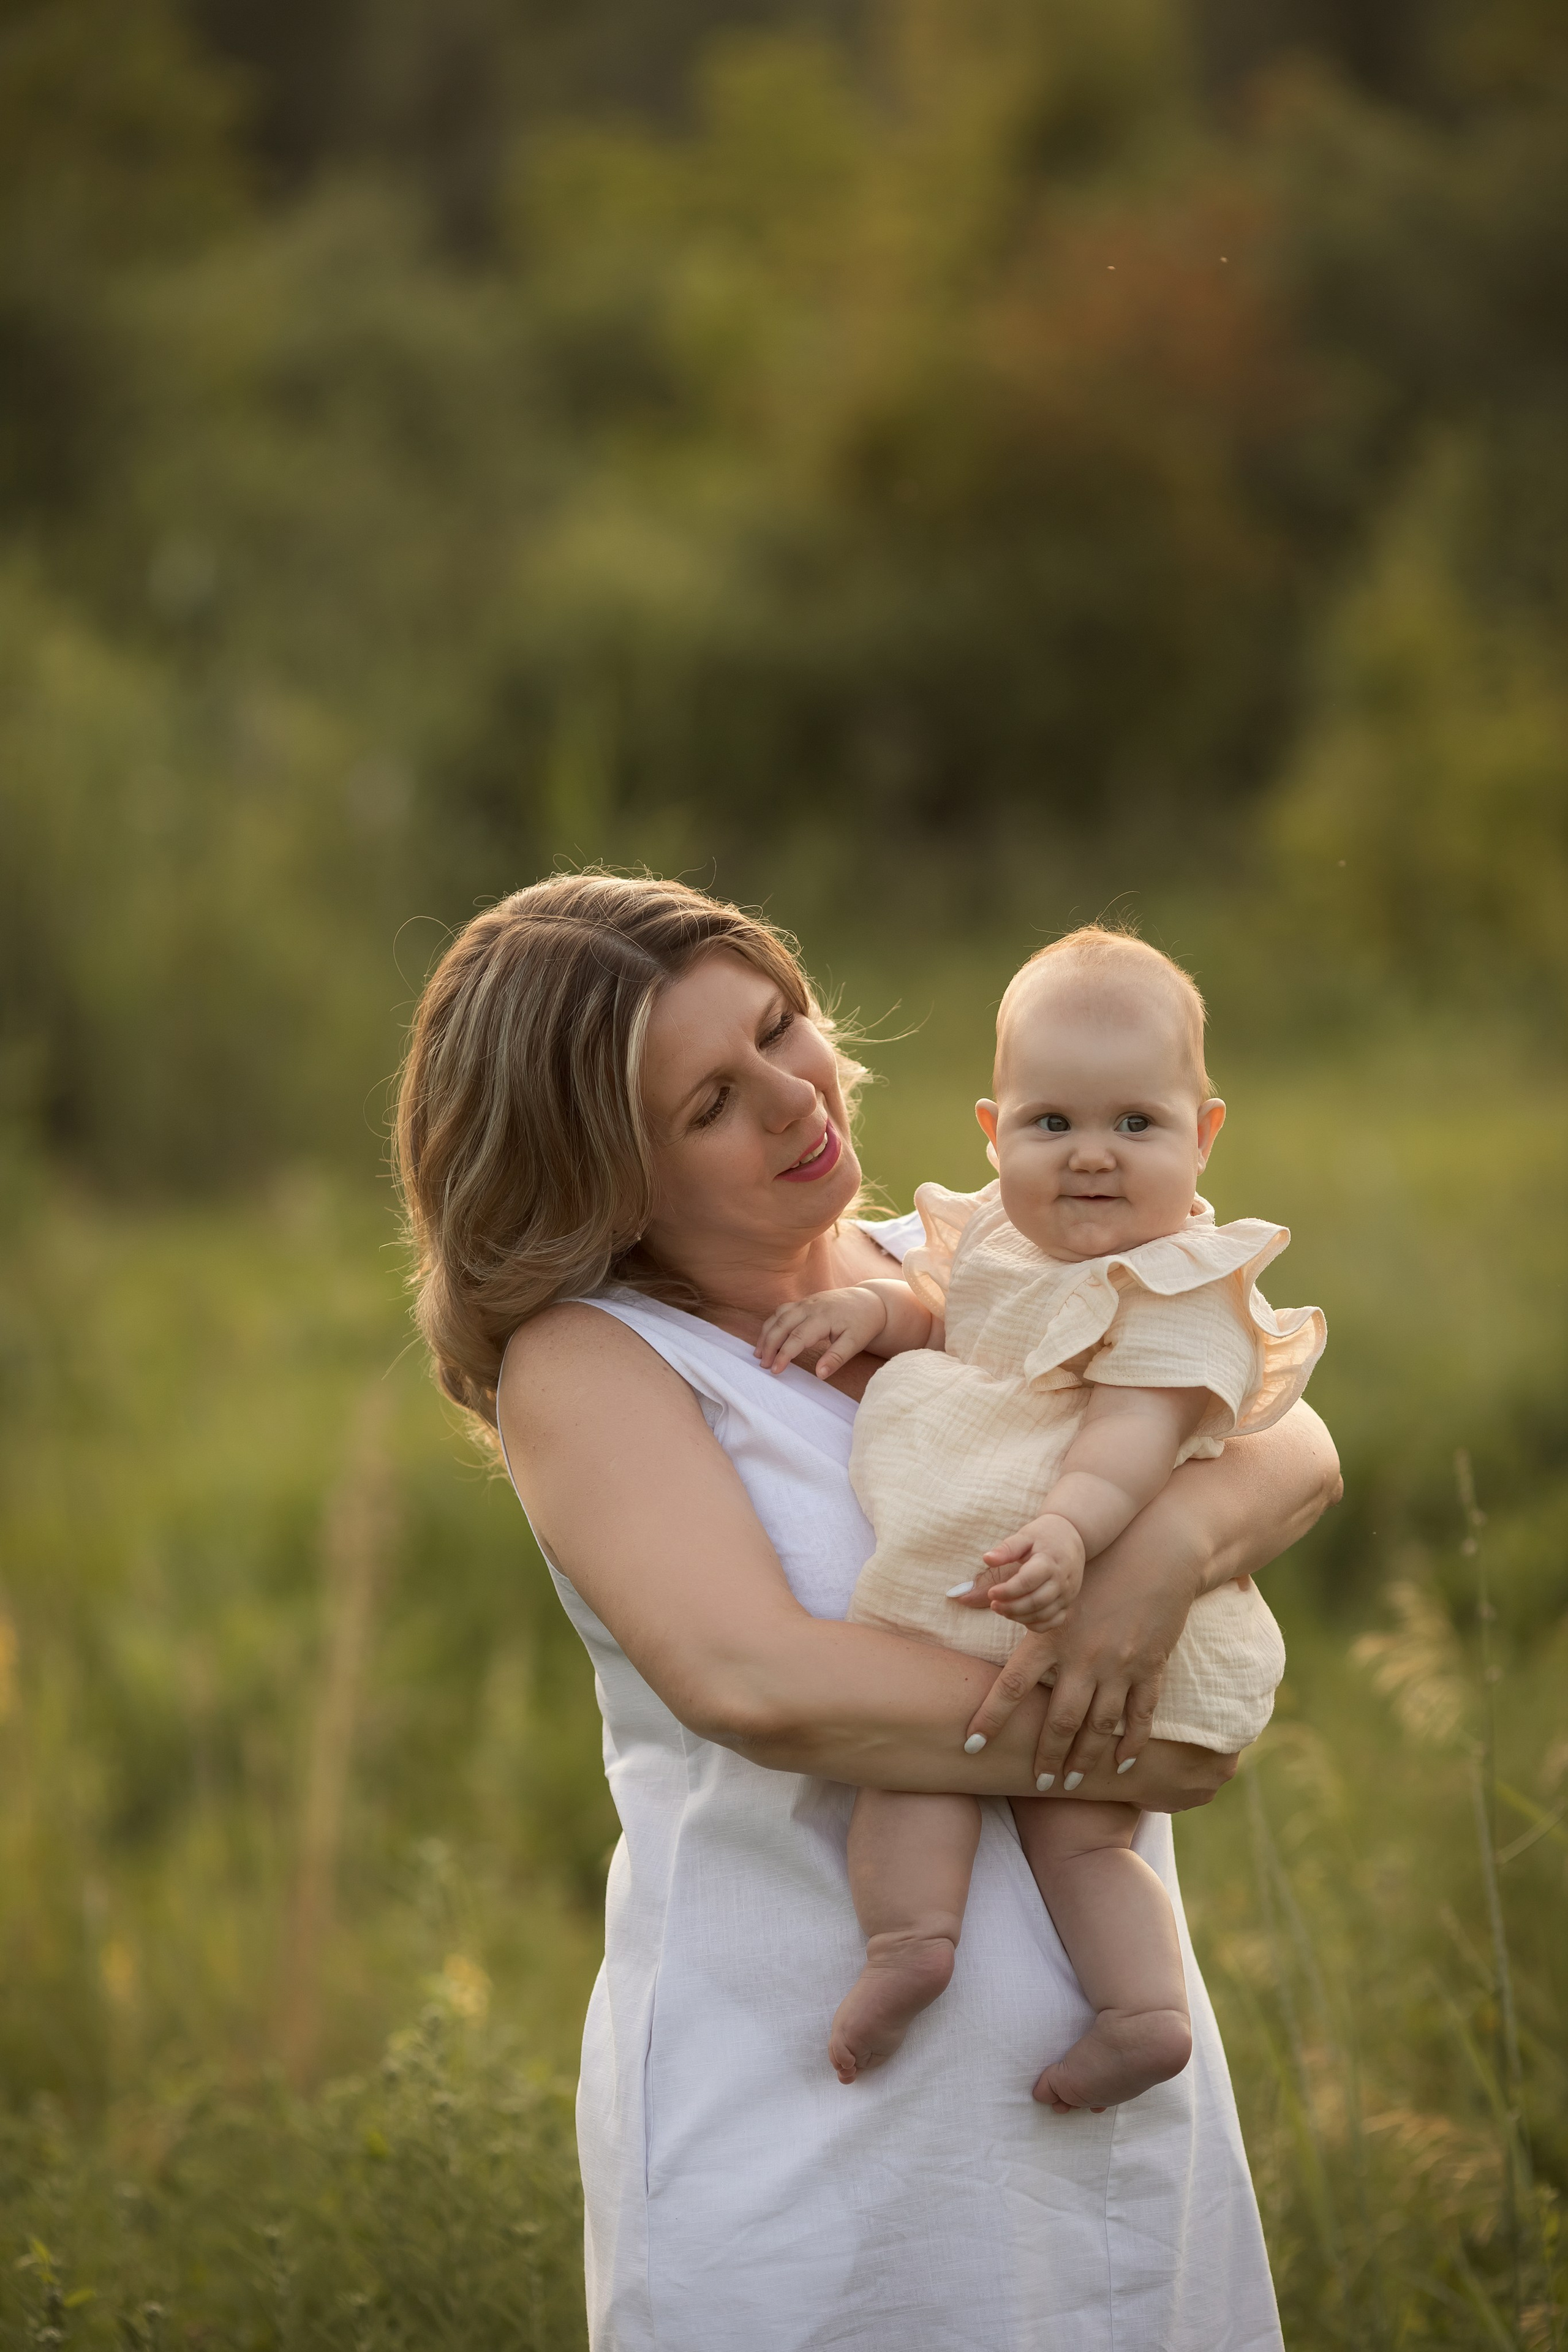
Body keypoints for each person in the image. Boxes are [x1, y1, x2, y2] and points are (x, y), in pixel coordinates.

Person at [395, 872, 1341, 2352]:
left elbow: (1286, 1432)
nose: (794, 1095)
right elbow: (758, 1682)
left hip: (1107, 2122)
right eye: (711, 1101)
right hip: (818, 2140)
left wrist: (1154, 1564)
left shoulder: (959, 1257)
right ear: (602, 1177)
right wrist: (1130, 1735)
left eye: (778, 1026)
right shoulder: (592, 1363)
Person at [755, 929, 1326, 2110]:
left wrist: (1070, 1531)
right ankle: (910, 1947)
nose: (1092, 1157)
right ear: (993, 1130)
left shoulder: (1183, 1284)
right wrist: (874, 1313)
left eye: (1137, 1124)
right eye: (1052, 1123)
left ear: (1204, 1134)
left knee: (1082, 1838)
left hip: (1089, 1595)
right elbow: (953, 1320)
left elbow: (1131, 1436)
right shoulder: (999, 1241)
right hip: (973, 1602)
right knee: (915, 1778)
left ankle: (1144, 2014)